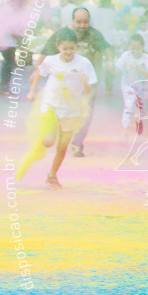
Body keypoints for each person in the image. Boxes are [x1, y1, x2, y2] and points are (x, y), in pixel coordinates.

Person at [20, 29, 95, 189]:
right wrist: (32, 91)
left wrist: (85, 83)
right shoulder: (50, 60)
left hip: (71, 110)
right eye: (65, 48)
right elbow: (39, 73)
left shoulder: (84, 63)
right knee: (48, 142)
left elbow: (88, 91)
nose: (68, 52)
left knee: (62, 147)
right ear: (58, 46)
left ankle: (52, 175)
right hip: (51, 104)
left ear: (76, 47)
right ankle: (40, 142)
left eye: (72, 48)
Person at [35, 7, 112, 157]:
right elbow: (46, 52)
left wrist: (110, 61)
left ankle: (77, 144)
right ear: (72, 21)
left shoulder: (94, 34)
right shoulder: (62, 34)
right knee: (62, 111)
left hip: (88, 82)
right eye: (79, 22)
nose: (82, 26)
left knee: (85, 112)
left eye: (85, 22)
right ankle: (55, 136)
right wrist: (35, 71)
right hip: (65, 85)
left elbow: (107, 49)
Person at [114, 34, 148, 135]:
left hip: (141, 87)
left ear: (142, 48)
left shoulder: (146, 58)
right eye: (133, 48)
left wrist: (138, 68)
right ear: (129, 47)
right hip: (128, 84)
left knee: (140, 108)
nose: (135, 51)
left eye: (138, 49)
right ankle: (125, 130)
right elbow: (116, 69)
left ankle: (139, 120)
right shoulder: (125, 56)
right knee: (129, 104)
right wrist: (111, 65)